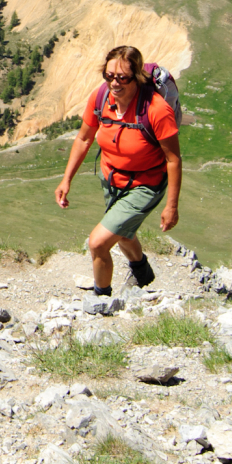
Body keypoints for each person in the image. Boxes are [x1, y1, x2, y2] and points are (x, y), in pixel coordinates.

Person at [53, 45, 182, 302]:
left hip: (145, 184)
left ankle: (101, 300)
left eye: (122, 77)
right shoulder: (101, 97)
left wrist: (172, 206)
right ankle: (142, 274)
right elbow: (83, 138)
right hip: (111, 179)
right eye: (109, 75)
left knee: (98, 242)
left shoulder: (156, 110)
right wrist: (66, 179)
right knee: (122, 233)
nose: (115, 82)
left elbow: (173, 159)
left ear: (137, 77)